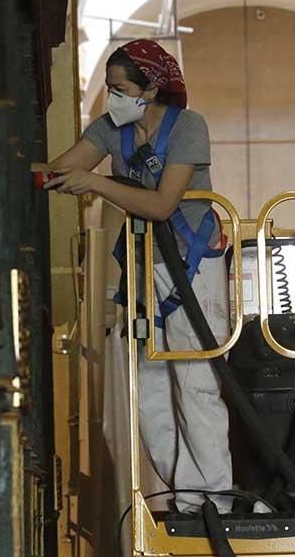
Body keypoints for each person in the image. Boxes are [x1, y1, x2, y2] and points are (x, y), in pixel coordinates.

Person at [45, 39, 231, 513]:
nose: (114, 98)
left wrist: (95, 183)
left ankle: (217, 501)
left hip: (193, 266)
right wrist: (52, 174)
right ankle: (186, 498)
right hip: (146, 264)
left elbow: (162, 204)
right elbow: (63, 171)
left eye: (121, 88)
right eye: (110, 89)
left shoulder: (189, 128)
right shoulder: (112, 129)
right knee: (149, 385)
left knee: (195, 381)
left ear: (150, 88)